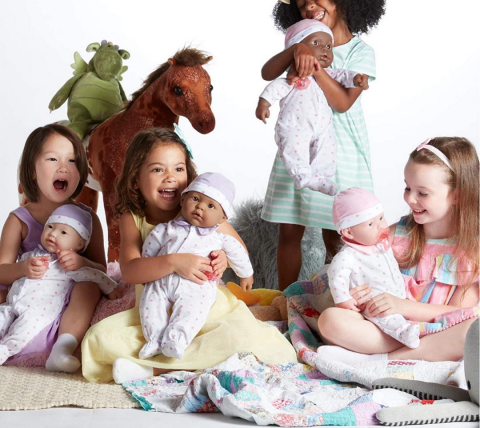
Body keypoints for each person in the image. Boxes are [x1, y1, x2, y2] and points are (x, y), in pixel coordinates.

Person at [81, 128, 297, 384]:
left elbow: (237, 248)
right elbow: (130, 271)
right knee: (97, 338)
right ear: (135, 179)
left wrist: (223, 258)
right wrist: (174, 262)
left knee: (242, 337)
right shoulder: (133, 218)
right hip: (154, 314)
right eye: (158, 169)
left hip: (204, 309)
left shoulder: (203, 211)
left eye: (179, 169)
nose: (170, 177)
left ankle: (152, 370)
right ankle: (181, 361)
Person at [261, 0, 386, 289]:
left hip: (341, 150)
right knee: (290, 229)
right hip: (300, 143)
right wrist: (297, 49)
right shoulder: (301, 44)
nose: (309, 6)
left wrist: (314, 65)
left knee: (338, 232)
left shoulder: (360, 52)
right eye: (302, 3)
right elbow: (267, 73)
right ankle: (284, 300)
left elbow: (342, 103)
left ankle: (334, 298)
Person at [318, 137, 479, 363]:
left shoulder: (471, 251)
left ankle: (382, 361)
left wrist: (403, 306)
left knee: (471, 331)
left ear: (457, 195)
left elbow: (458, 313)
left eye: (423, 193)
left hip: (437, 331)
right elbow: (359, 267)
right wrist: (352, 298)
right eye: (407, 187)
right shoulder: (396, 235)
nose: (410, 199)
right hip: (390, 329)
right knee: (330, 320)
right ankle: (398, 355)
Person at [0, 124, 106, 372]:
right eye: (52, 159)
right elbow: (2, 270)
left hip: (65, 295)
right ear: (32, 171)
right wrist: (23, 268)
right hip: (28, 295)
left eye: (72, 160)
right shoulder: (19, 219)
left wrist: (82, 263)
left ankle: (63, 348)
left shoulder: (88, 219)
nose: (63, 167)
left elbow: (101, 269)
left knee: (89, 287)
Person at [140, 172, 254, 360]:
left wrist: (246, 274)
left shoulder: (219, 238)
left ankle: (176, 340)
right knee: (151, 303)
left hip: (196, 285)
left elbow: (238, 252)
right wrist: (149, 271)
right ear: (183, 199)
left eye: (211, 205)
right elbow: (149, 250)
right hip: (161, 280)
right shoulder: (166, 229)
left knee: (193, 310)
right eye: (195, 199)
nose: (200, 206)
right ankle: (154, 339)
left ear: (222, 218)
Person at [256, 20, 368, 195]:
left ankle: (321, 177)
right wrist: (264, 104)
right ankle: (300, 174)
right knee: (294, 146)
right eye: (316, 43)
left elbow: (343, 75)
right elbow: (276, 87)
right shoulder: (293, 78)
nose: (324, 49)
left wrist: (356, 79)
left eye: (329, 46)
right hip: (295, 125)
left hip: (323, 127)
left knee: (327, 148)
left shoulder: (329, 73)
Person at [0, 205, 118, 365]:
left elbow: (95, 275)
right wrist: (24, 267)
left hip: (39, 310)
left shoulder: (68, 265)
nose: (53, 233)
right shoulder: (31, 255)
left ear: (79, 244)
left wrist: (111, 288)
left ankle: (5, 350)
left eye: (63, 232)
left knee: (25, 329)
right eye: (50, 227)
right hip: (11, 304)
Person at [326, 187, 419, 349]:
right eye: (370, 224)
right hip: (374, 300)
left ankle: (410, 326)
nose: (381, 226)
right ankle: (403, 332)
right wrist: (343, 300)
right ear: (349, 232)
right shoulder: (349, 255)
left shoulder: (380, 244)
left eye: (381, 218)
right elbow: (335, 276)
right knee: (385, 317)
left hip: (397, 294)